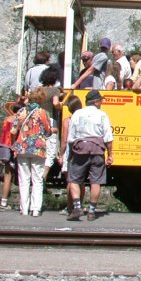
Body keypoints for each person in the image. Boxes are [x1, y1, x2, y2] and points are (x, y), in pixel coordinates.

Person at [66, 90, 113, 221]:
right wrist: (110, 155)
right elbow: (108, 137)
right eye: (101, 101)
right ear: (97, 102)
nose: (101, 103)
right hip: (97, 149)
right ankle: (92, 212)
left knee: (74, 180)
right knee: (96, 181)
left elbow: (71, 137)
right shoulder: (102, 115)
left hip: (80, 149)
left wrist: (69, 154)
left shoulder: (77, 113)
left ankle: (77, 207)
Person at [11, 87, 51, 217]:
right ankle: (35, 209)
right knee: (37, 179)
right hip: (38, 148)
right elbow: (48, 131)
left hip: (22, 147)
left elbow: (13, 130)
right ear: (41, 99)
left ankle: (24, 209)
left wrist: (15, 144)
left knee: (24, 179)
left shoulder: (21, 111)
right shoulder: (43, 112)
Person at [58, 95, 85, 216]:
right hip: (83, 150)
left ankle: (70, 207)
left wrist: (61, 154)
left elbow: (64, 140)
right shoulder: (85, 119)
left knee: (70, 180)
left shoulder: (68, 121)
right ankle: (80, 204)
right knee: (81, 181)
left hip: (71, 150)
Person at [0, 100, 22, 211]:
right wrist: (15, 145)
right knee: (18, 176)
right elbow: (14, 133)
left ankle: (4, 201)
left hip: (3, 147)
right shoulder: (17, 120)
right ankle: (22, 203)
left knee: (7, 175)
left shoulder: (6, 119)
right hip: (12, 148)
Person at [39, 67, 62, 180]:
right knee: (50, 151)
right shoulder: (55, 90)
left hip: (37, 121)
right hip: (50, 120)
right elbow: (56, 103)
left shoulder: (37, 90)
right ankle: (43, 176)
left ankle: (38, 178)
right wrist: (63, 105)